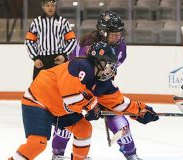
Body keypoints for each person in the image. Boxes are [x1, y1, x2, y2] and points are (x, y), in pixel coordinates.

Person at [9, 42, 159, 160]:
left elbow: (118, 102)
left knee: (84, 129)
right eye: (108, 64)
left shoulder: (102, 81)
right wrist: (92, 106)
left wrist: (140, 111)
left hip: (60, 109)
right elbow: (71, 98)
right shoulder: (80, 66)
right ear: (98, 61)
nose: (110, 68)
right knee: (37, 144)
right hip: (38, 102)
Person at [52, 11, 146, 160]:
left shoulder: (120, 46)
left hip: (101, 85)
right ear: (102, 32)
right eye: (113, 33)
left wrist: (102, 94)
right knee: (68, 119)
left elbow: (107, 72)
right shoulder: (86, 47)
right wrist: (90, 104)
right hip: (75, 87)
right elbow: (76, 78)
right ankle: (58, 155)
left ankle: (131, 155)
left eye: (119, 33)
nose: (118, 36)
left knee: (117, 118)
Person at [25, 0, 77, 80]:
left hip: (59, 59)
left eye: (52, 5)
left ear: (55, 7)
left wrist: (64, 55)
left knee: (60, 87)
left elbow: (72, 41)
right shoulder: (36, 22)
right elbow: (29, 41)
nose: (50, 8)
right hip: (41, 60)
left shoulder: (63, 22)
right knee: (39, 88)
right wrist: (35, 58)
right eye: (47, 5)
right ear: (43, 7)